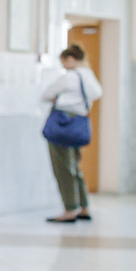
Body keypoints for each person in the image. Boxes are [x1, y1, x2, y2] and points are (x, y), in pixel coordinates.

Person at [41, 44, 102, 223]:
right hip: (79, 124)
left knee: (63, 169)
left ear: (70, 59)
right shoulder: (88, 75)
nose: (63, 66)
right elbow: (97, 94)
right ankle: (83, 207)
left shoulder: (69, 77)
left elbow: (45, 94)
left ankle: (70, 210)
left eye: (63, 62)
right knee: (75, 168)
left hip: (62, 125)